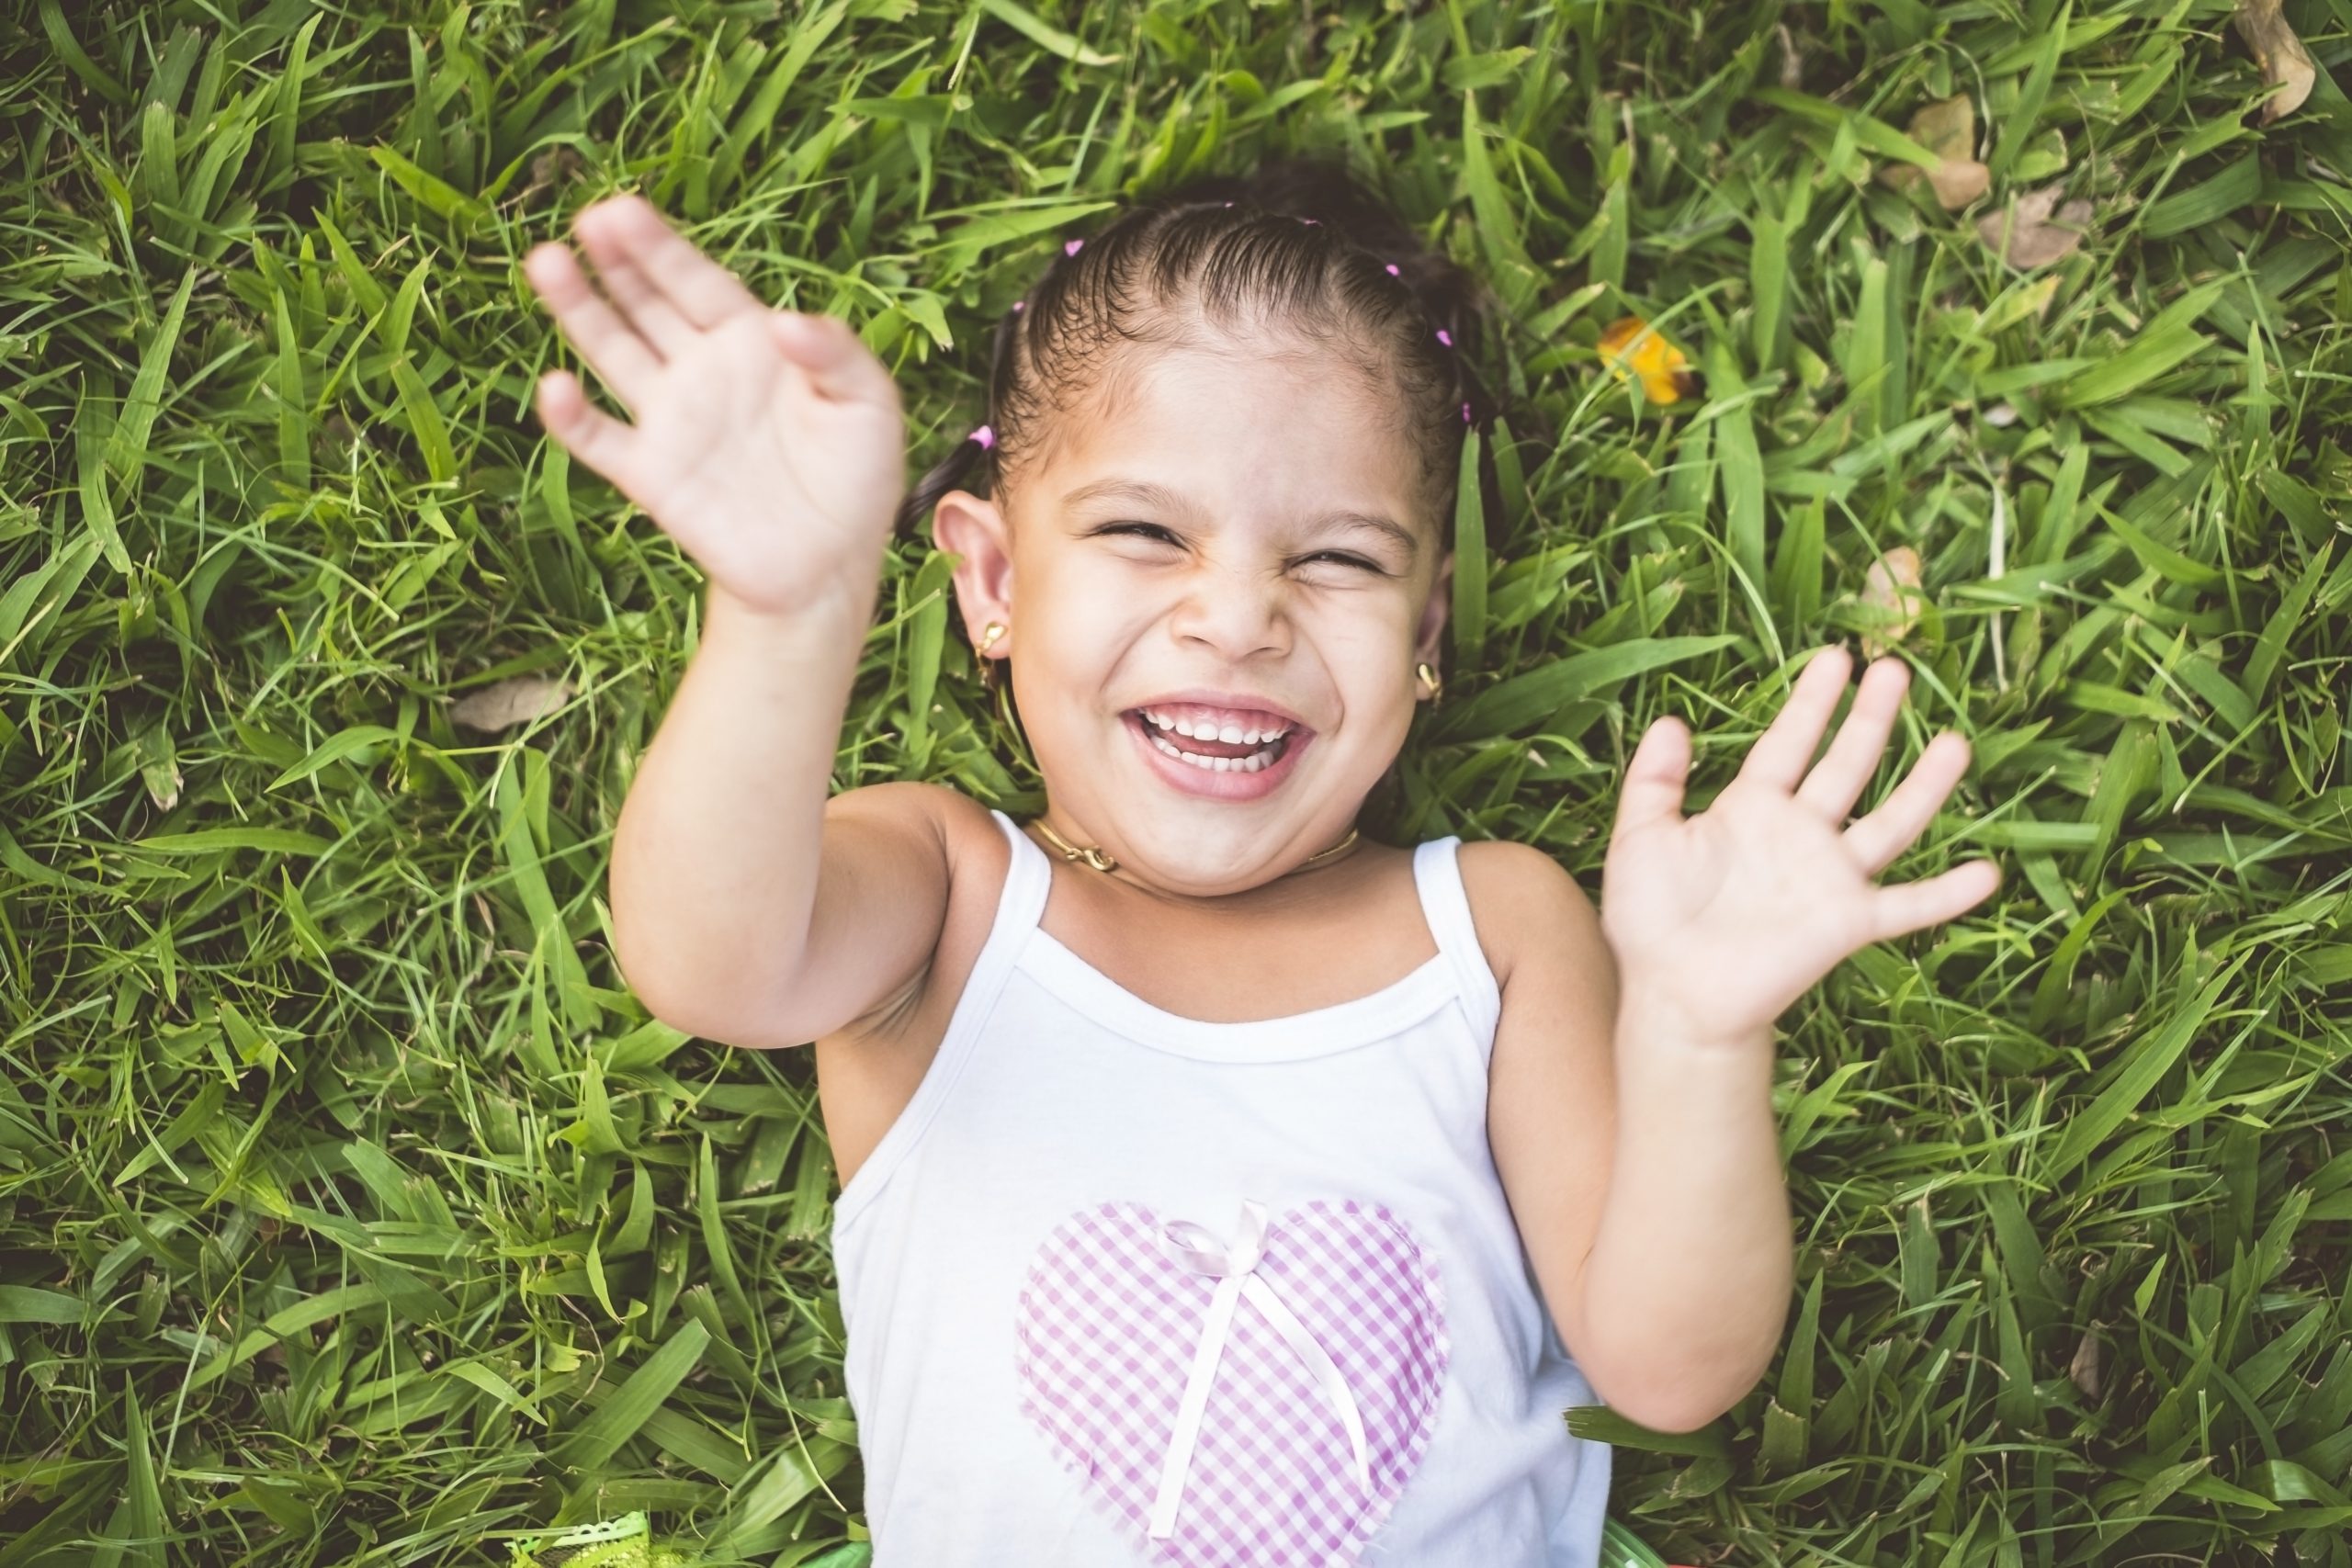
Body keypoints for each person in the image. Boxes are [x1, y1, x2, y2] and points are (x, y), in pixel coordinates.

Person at [521, 153, 2001, 1566]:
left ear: (1422, 641)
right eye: (1146, 532)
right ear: (991, 580)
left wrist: (1695, 1035)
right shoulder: (950, 897)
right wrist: (787, 615)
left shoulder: (1491, 929)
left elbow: (1670, 1371)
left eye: (1340, 559)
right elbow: (710, 961)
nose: (1238, 617)